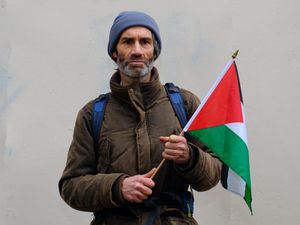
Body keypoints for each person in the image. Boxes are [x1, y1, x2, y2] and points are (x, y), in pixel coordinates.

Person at [59, 11, 222, 225]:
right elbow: (71, 187)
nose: (137, 50)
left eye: (145, 42)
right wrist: (117, 187)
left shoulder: (185, 103)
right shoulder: (92, 114)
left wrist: (189, 157)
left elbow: (213, 175)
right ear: (115, 52)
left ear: (154, 52)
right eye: (127, 42)